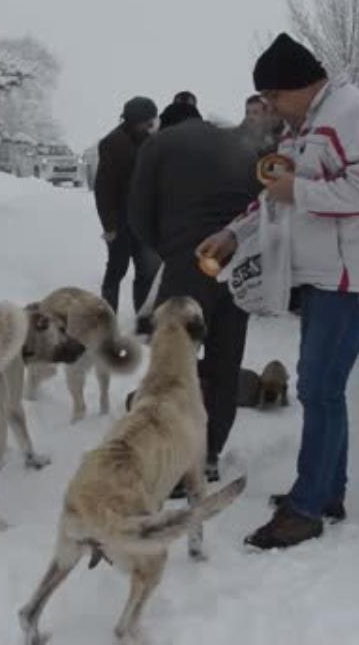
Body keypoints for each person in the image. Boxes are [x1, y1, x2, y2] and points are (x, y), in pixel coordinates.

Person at [197, 33, 359, 550]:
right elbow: (275, 198)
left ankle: (307, 508)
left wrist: (301, 191)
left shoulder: (355, 113)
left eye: (271, 99)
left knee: (319, 390)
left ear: (293, 87)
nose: (269, 110)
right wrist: (231, 233)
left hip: (354, 279)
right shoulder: (305, 126)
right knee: (323, 389)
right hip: (324, 278)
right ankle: (325, 492)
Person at [128, 100, 261, 488]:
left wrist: (170, 250)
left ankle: (170, 455)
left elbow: (138, 212)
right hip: (235, 262)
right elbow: (258, 203)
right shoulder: (237, 143)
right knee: (226, 359)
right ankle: (210, 454)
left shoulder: (159, 145)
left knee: (172, 364)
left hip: (188, 263)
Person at [95, 96, 161, 314]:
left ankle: (143, 319)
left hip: (143, 222)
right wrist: (110, 227)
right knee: (116, 271)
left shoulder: (151, 140)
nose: (151, 126)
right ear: (134, 120)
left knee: (147, 272)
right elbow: (104, 190)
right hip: (120, 222)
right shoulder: (112, 143)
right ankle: (107, 318)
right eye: (147, 122)